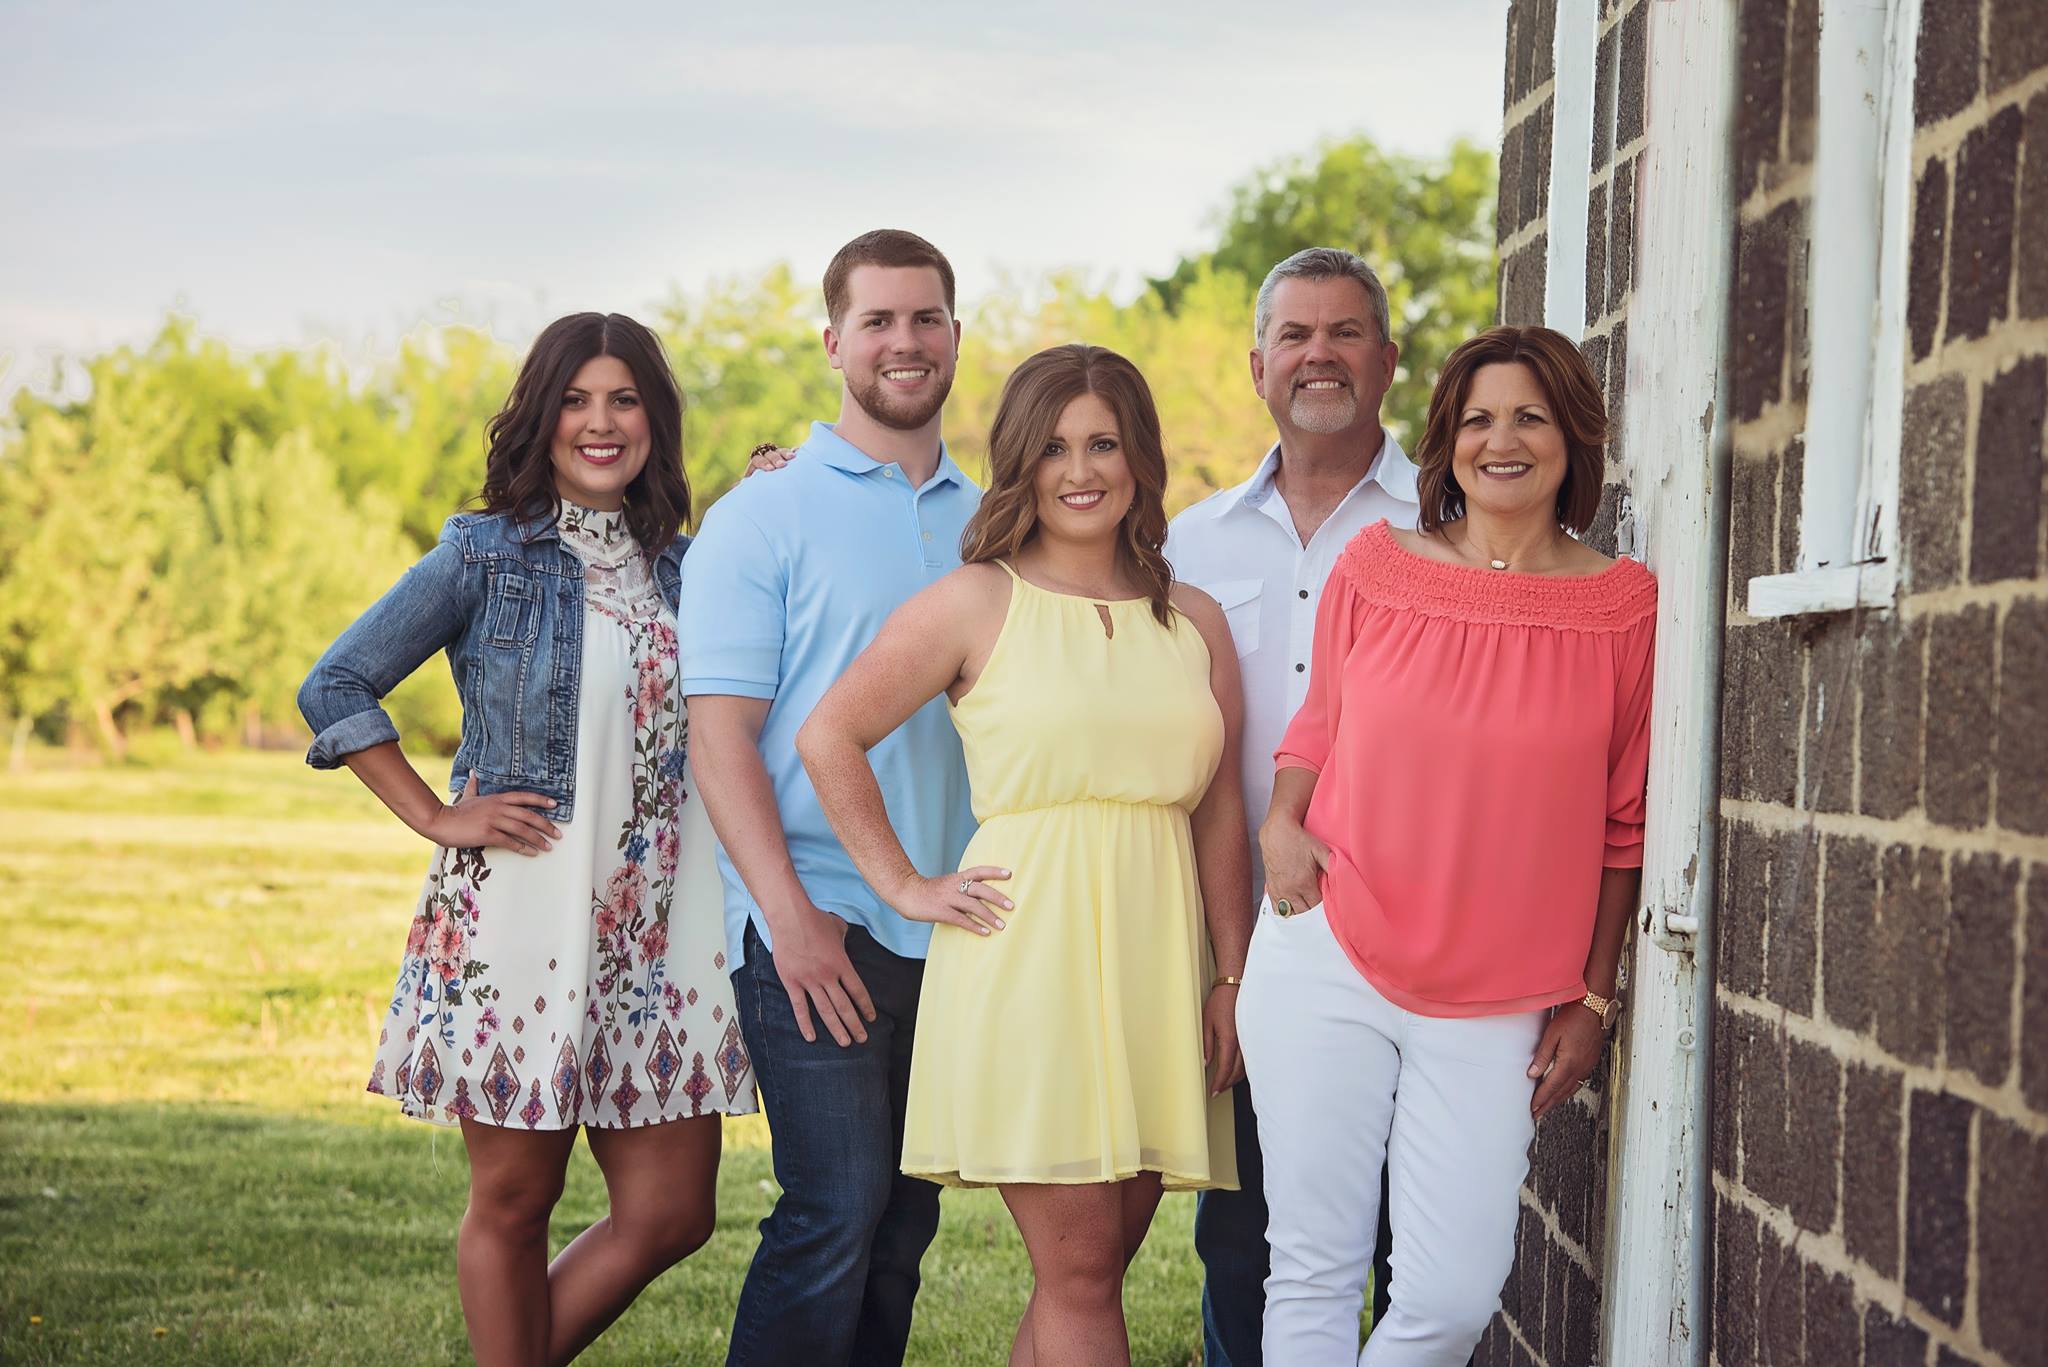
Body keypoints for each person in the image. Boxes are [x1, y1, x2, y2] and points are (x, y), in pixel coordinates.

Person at [297, 312, 755, 1367]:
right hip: (518, 912)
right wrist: (432, 810)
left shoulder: (689, 567)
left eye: (624, 399)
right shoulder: (483, 552)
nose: (600, 422)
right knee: (515, 1197)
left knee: (674, 1209)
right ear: (542, 417)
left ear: (654, 420)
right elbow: (336, 681)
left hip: (662, 933)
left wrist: (767, 496)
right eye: (576, 399)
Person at [796, 342, 1249, 1367]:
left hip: (1156, 967)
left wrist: (1230, 973)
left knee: (1081, 1274)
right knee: (1083, 1275)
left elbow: (1216, 810)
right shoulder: (974, 601)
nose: (1079, 468)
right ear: (1018, 464)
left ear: (1139, 455)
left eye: (1101, 442)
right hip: (1031, 959)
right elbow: (828, 735)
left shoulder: (1196, 623)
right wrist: (904, 883)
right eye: (1051, 447)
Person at [1239, 324, 1654, 1365]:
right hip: (1325, 946)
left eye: (1527, 416)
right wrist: (1281, 825)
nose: (1498, 440)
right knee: (1313, 1266)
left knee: (1451, 1293)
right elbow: (1315, 726)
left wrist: (1591, 996)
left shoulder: (1622, 608)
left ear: (1572, 437)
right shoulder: (1375, 566)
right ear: (1444, 441)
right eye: (1475, 419)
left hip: (1499, 992)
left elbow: (1622, 824)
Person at [678, 229, 981, 1367]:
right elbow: (720, 744)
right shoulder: (763, 514)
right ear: (832, 342)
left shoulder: (993, 522)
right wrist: (788, 920)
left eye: (925, 319)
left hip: (945, 921)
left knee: (901, 1224)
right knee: (832, 1209)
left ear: (954, 334)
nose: (903, 342)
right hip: (812, 913)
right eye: (877, 321)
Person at [1164, 246, 1419, 1366]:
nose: (1320, 354)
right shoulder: (1188, 541)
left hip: (1411, 910)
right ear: (1259, 363)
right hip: (1250, 916)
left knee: (1409, 1239)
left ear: (1388, 361)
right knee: (1251, 1231)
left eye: (1345, 331)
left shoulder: (1445, 523)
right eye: (1296, 335)